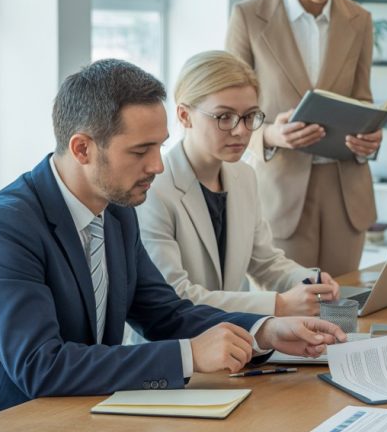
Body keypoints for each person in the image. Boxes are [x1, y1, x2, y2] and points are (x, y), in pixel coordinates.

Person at [0, 59, 346, 432]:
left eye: (159, 145)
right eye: (140, 151)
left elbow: (165, 313)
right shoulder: (4, 227)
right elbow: (41, 366)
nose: (158, 165)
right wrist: (190, 355)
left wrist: (263, 332)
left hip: (75, 421)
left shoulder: (116, 212)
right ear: (82, 148)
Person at [225, 0, 378, 277]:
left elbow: (363, 100)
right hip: (281, 192)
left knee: (344, 315)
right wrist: (272, 134)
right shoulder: (248, 18)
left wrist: (369, 139)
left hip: (346, 194)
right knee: (286, 317)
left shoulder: (359, 20)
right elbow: (227, 112)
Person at [138, 51, 340, 317]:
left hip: (232, 341)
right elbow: (176, 296)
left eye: (250, 116)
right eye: (224, 117)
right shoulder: (154, 189)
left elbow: (265, 262)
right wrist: (278, 305)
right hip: (173, 348)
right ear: (185, 116)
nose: (241, 131)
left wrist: (311, 282)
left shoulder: (244, 175)